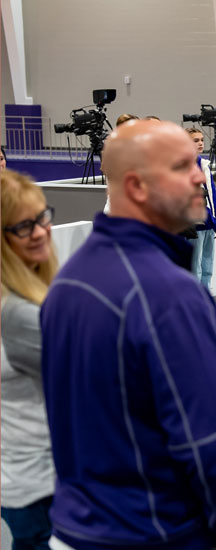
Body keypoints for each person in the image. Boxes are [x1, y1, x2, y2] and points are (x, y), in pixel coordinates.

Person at [40, 120, 216, 550]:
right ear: (136, 186)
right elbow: (211, 445)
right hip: (152, 533)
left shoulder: (68, 281)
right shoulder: (169, 295)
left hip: (77, 528)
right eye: (181, 167)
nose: (199, 176)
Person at [1, 170, 59, 549]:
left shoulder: (24, 294)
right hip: (40, 482)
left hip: (26, 475)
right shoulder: (19, 313)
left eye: (42, 217)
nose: (39, 232)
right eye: (23, 227)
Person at [186, 127, 216, 289]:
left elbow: (212, 197)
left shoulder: (204, 165)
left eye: (202, 140)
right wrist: (215, 225)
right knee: (194, 269)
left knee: (207, 268)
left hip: (209, 226)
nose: (200, 143)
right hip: (195, 225)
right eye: (195, 141)